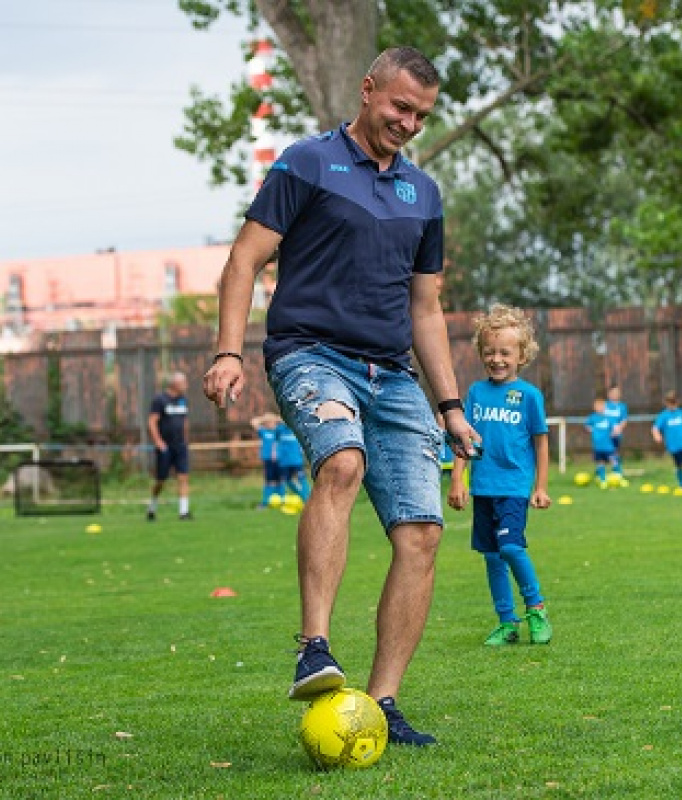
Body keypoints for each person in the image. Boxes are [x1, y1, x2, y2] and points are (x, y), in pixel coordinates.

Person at [202, 46, 479, 746]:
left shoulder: (424, 194)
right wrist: (228, 352)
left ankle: (382, 703)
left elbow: (425, 308)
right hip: (310, 354)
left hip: (394, 375)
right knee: (343, 464)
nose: (409, 123)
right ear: (367, 91)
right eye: (399, 107)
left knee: (421, 534)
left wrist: (450, 406)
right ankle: (315, 647)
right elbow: (244, 258)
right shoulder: (308, 163)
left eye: (422, 115)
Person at [447, 305, 553, 647]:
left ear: (522, 356)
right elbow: (468, 439)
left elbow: (541, 444)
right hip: (483, 487)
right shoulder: (476, 394)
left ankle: (536, 607)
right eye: (489, 351)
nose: (496, 359)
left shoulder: (529, 396)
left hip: (514, 486)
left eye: (505, 352)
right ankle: (507, 622)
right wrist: (458, 480)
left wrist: (541, 487)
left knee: (509, 547)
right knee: (492, 556)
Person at [146, 371, 192, 520]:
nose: (186, 386)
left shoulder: (183, 400)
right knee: (161, 480)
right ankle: (152, 508)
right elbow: (152, 422)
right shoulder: (160, 400)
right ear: (174, 384)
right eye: (183, 383)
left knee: (183, 477)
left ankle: (183, 512)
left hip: (180, 446)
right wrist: (159, 443)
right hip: (165, 446)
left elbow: (184, 420)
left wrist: (185, 439)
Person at [584, 397, 625, 488]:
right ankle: (602, 479)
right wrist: (592, 431)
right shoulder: (592, 417)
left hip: (608, 446)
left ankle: (619, 477)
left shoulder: (608, 418)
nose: (600, 408)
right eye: (598, 406)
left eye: (602, 406)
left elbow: (615, 427)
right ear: (594, 407)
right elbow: (587, 426)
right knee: (600, 462)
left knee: (614, 460)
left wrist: (615, 432)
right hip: (598, 446)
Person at [251, 411, 283, 508]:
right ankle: (265, 502)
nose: (270, 424)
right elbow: (253, 422)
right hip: (268, 459)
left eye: (271, 422)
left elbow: (284, 421)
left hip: (279, 459)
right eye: (268, 422)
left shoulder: (279, 430)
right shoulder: (264, 431)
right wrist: (264, 419)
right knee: (269, 481)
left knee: (280, 480)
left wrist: (275, 418)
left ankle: (281, 501)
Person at [275, 419, 311, 502]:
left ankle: (308, 499)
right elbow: (275, 441)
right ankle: (302, 497)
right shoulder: (279, 429)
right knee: (287, 481)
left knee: (302, 479)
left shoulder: (297, 429)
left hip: (296, 460)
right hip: (284, 461)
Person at [604, 384, 629, 473]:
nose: (615, 394)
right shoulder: (605, 405)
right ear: (609, 394)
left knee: (614, 451)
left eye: (617, 393)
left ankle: (616, 470)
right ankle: (601, 471)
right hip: (604, 433)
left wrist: (618, 428)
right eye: (613, 393)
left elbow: (624, 419)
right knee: (604, 452)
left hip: (616, 433)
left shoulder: (622, 407)